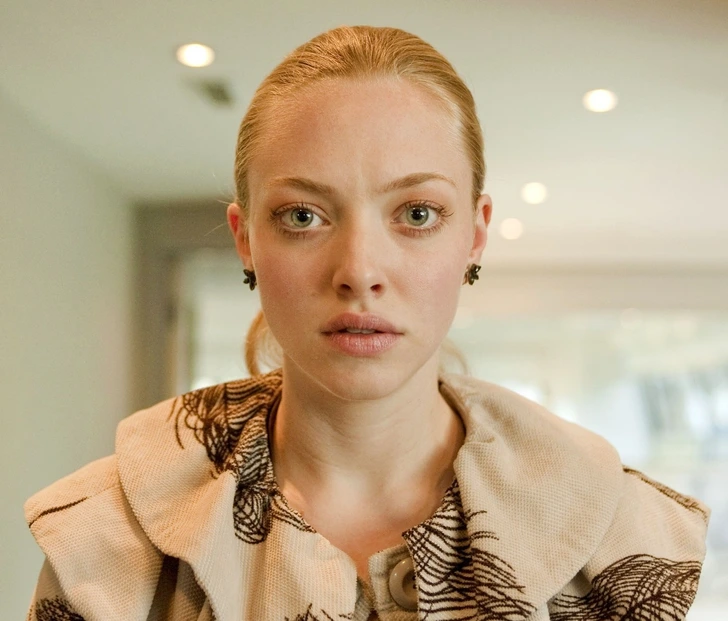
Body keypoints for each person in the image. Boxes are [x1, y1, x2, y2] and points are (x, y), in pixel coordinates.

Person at [25, 25, 709, 621]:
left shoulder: (618, 539)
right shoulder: (109, 545)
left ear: (475, 235)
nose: (358, 270)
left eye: (417, 214)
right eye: (303, 216)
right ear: (246, 240)